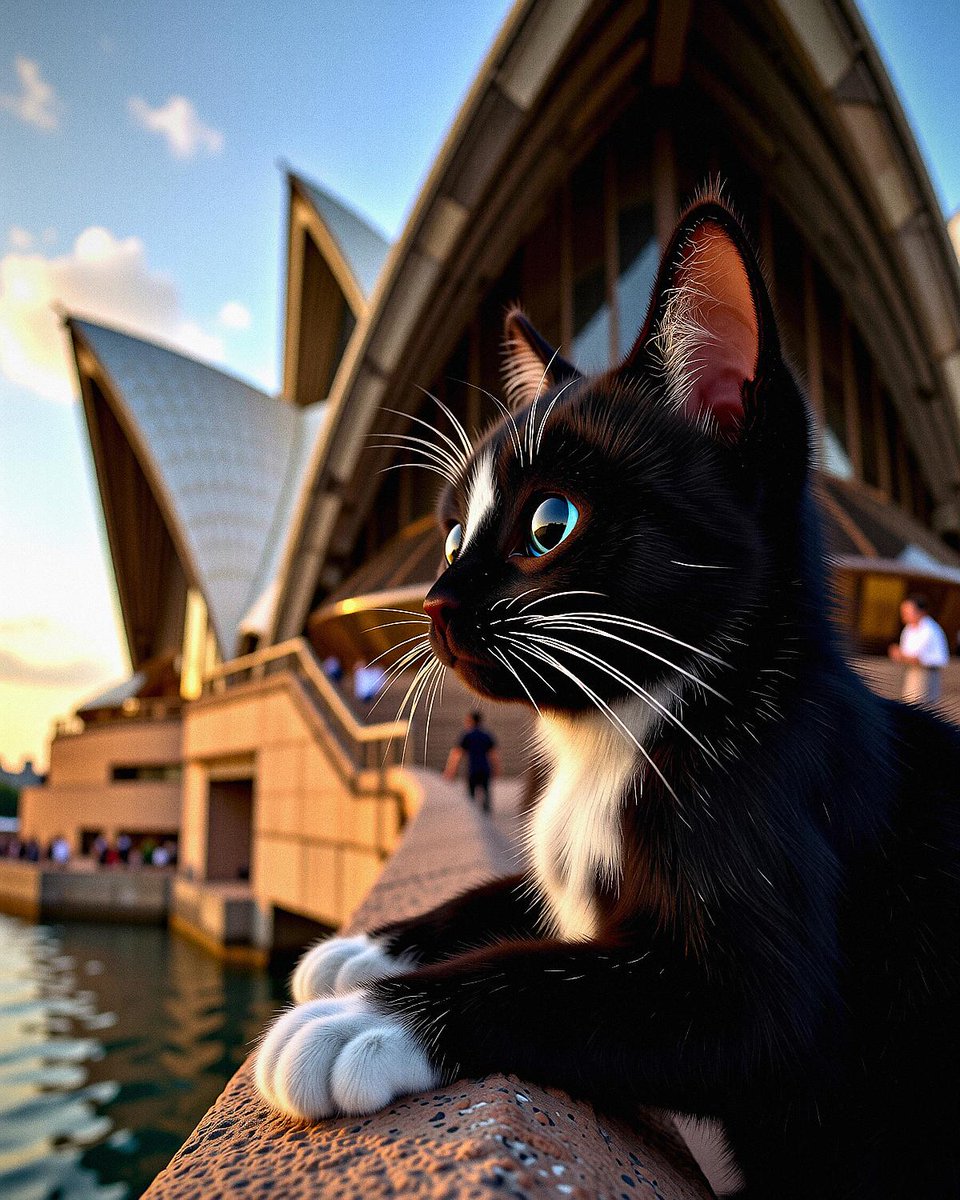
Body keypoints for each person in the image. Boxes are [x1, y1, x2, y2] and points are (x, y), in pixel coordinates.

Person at [888, 594, 949, 705]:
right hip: (912, 673)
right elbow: (907, 653)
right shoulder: (908, 629)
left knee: (924, 707)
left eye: (907, 612)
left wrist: (915, 659)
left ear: (920, 612)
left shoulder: (931, 629)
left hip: (927, 676)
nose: (904, 615)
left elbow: (941, 659)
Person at [444, 711, 500, 813]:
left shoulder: (467, 735)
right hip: (485, 769)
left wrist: (451, 771)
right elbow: (493, 755)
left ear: (471, 721)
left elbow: (457, 754)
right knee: (486, 794)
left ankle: (474, 816)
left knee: (471, 797)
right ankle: (486, 815)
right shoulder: (487, 735)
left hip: (473, 769)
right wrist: (496, 769)